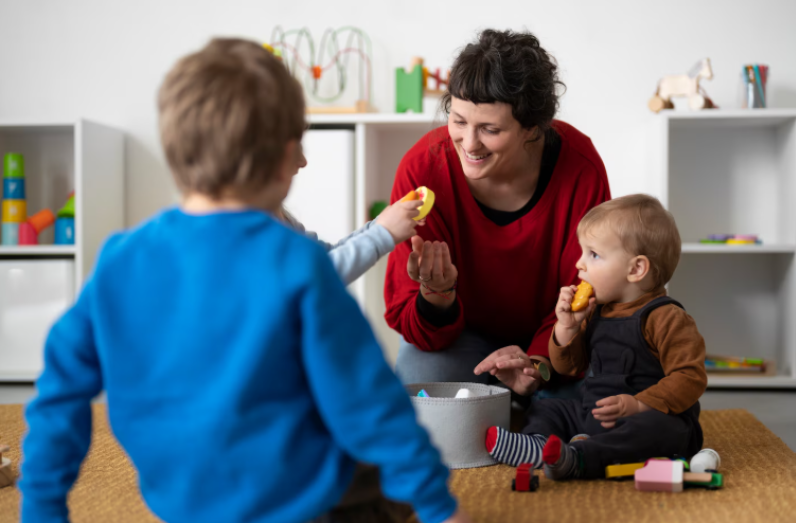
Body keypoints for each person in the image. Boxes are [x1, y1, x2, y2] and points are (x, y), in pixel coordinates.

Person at [20, 38, 470, 523]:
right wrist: (438, 505)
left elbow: (58, 395)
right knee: (379, 477)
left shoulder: (120, 260)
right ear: (283, 158)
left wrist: (42, 508)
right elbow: (370, 398)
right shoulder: (298, 267)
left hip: (181, 499)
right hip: (298, 500)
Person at [385, 29, 611, 399]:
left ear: (532, 129)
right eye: (458, 121)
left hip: (559, 336)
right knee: (424, 400)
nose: (469, 143)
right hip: (459, 338)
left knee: (600, 403)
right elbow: (413, 320)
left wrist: (539, 361)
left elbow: (591, 289)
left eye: (489, 129)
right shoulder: (422, 169)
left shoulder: (580, 166)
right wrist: (436, 296)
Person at [479, 194, 707, 480]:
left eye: (593, 255)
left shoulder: (666, 318)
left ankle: (579, 459)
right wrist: (566, 328)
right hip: (594, 413)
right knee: (548, 406)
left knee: (660, 429)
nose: (579, 264)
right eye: (583, 252)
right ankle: (539, 445)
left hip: (646, 416)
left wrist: (638, 405)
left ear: (636, 269)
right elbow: (568, 368)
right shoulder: (596, 311)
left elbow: (690, 377)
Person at [281, 145, 425, 285]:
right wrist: (384, 233)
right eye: (293, 148)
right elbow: (317, 276)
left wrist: (381, 223)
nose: (303, 161)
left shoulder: (283, 219)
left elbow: (325, 258)